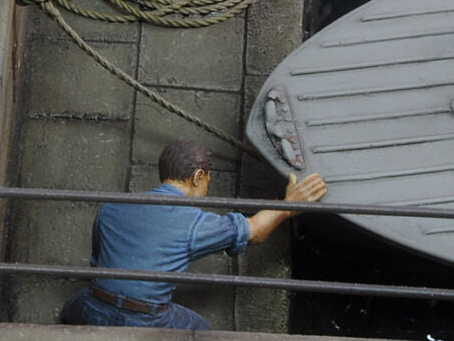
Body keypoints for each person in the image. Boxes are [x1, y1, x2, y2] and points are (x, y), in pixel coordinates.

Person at [60, 139, 327, 328]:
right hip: (143, 318)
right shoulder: (194, 222)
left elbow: (97, 263)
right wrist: (289, 205)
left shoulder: (111, 207)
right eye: (207, 181)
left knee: (67, 313)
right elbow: (255, 231)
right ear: (198, 176)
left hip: (93, 304)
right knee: (199, 331)